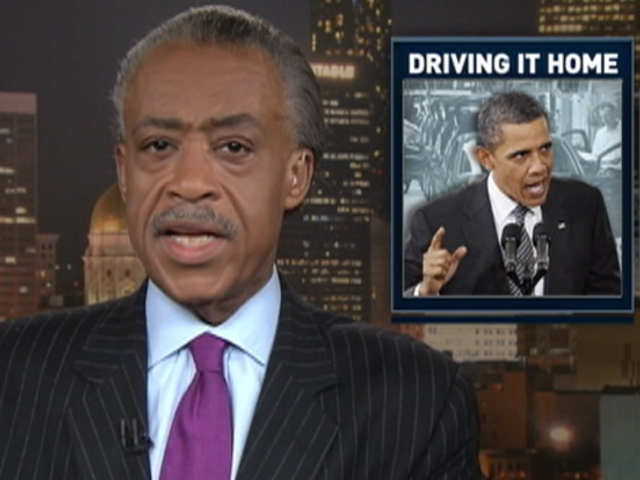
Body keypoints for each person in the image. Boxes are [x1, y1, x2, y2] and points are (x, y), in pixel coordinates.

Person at [0, 6, 481, 480]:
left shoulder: (416, 401)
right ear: (125, 173)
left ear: (296, 176)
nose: (189, 183)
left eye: (233, 147)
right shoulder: (12, 376)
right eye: (159, 146)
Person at [404, 91, 620, 296]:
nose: (539, 167)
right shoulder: (435, 222)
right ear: (486, 159)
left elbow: (607, 298)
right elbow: (399, 312)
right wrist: (426, 292)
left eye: (545, 149)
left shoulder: (586, 206)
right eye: (521, 155)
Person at [591, 102, 622, 171]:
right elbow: (595, 155)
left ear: (614, 114)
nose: (605, 120)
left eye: (607, 116)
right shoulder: (600, 133)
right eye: (602, 117)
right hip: (603, 171)